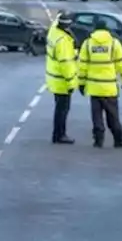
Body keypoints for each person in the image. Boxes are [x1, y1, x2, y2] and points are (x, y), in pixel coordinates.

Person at [78, 16, 122, 148]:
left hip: (94, 87)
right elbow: (121, 63)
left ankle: (98, 141)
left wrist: (81, 83)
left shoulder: (88, 44)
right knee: (113, 116)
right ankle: (118, 141)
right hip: (109, 88)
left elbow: (82, 65)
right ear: (107, 30)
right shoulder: (114, 43)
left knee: (97, 116)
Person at [45, 12, 78, 144]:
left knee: (59, 108)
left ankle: (57, 134)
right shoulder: (63, 41)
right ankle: (60, 135)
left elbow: (55, 22)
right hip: (62, 80)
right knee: (62, 110)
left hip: (54, 77)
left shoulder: (53, 32)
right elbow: (66, 64)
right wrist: (71, 83)